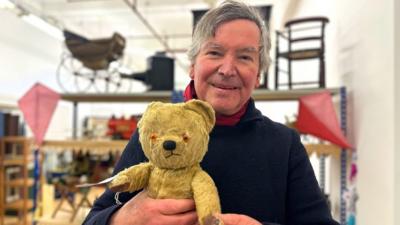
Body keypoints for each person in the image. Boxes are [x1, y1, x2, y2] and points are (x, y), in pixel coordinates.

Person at [83, 1, 339, 225]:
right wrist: (121, 219)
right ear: (193, 66)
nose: (227, 69)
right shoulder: (152, 135)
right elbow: (94, 218)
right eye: (215, 52)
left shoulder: (284, 145)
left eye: (245, 57)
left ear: (259, 74)